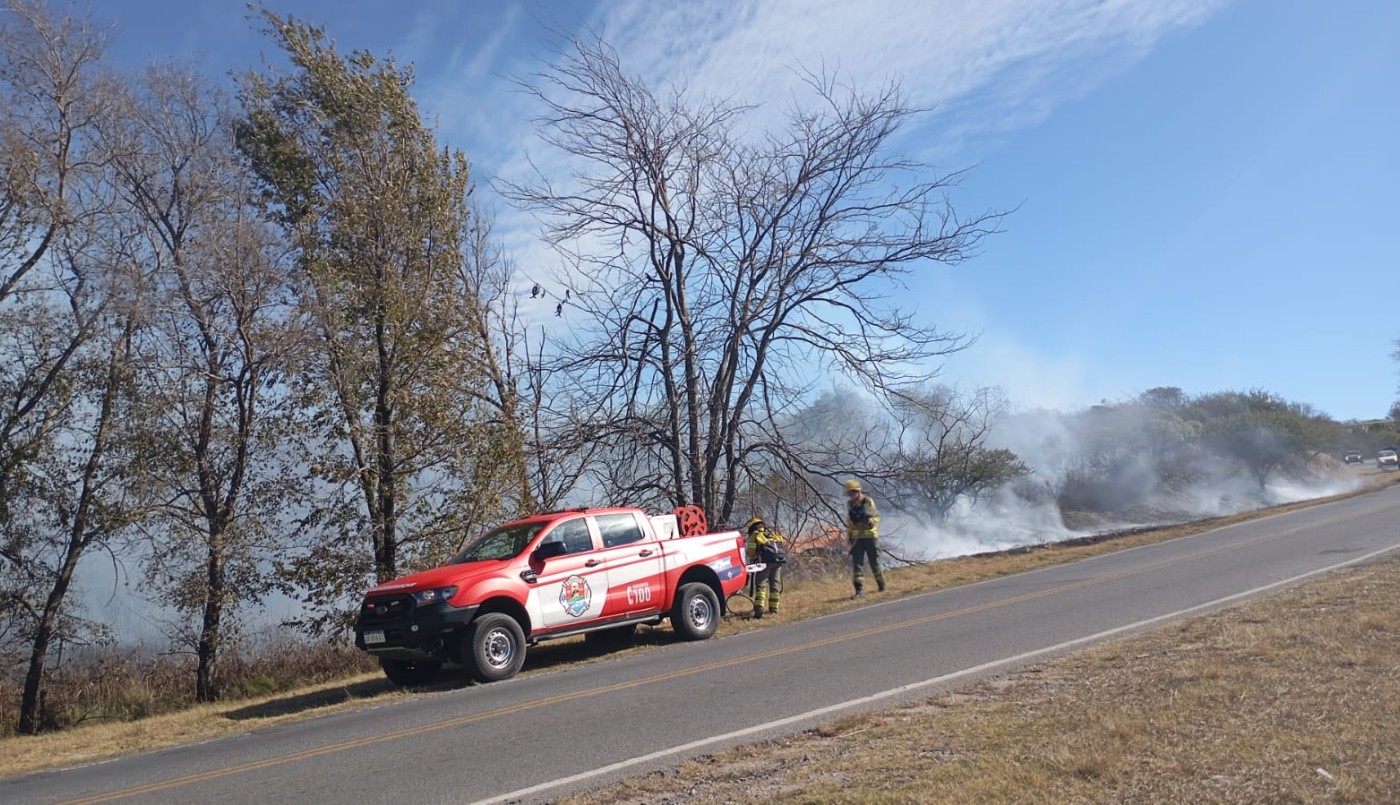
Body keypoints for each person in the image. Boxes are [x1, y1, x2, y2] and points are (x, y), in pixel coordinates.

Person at [844, 479, 885, 598]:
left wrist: (871, 521)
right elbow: (850, 521)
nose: (851, 496)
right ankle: (859, 590)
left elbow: (876, 516)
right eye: (849, 494)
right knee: (857, 564)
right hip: (857, 539)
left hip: (870, 538)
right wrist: (850, 535)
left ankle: (881, 584)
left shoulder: (867, 501)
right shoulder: (849, 505)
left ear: (857, 492)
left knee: (874, 562)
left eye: (852, 493)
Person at [744, 516, 786, 618]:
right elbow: (781, 543)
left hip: (764, 563)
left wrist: (753, 558)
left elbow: (751, 552)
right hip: (778, 561)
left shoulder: (755, 535)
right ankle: (774, 609)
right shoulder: (771, 532)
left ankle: (759, 610)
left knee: (761, 585)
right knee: (775, 585)